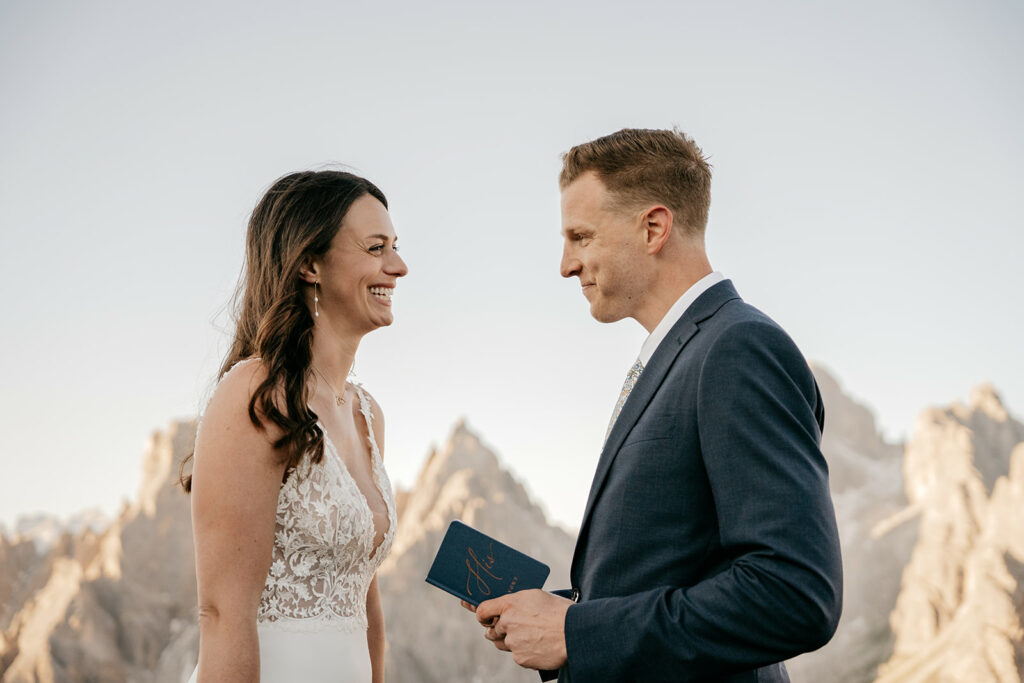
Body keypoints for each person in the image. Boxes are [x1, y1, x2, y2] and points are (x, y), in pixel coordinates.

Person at [464, 129, 843, 682]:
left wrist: (576, 632)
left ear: (654, 227)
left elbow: (793, 593)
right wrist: (559, 616)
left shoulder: (737, 348)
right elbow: (676, 570)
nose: (566, 264)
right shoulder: (679, 354)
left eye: (581, 236)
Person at [180, 170, 408, 683]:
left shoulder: (367, 415)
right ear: (309, 264)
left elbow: (363, 595)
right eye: (376, 248)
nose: (398, 266)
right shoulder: (256, 393)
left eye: (395, 246)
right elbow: (222, 613)